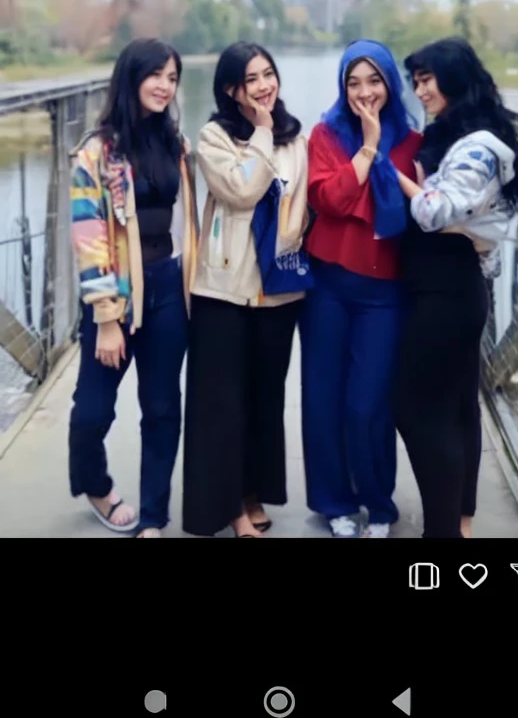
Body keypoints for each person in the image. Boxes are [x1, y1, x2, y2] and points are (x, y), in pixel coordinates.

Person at [393, 36, 518, 540]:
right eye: (416, 81)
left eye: (427, 80)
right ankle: (460, 525)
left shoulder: (477, 146)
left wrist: (404, 181)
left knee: (416, 408)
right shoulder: (463, 133)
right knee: (455, 408)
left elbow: (432, 212)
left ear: (453, 79)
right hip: (449, 286)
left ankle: (443, 532)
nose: (419, 90)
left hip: (445, 293)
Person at [68, 38, 198, 538]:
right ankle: (95, 484)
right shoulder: (96, 151)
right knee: (92, 411)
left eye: (172, 77)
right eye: (156, 75)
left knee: (163, 408)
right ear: (131, 77)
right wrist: (106, 316)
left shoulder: (174, 144)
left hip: (167, 285)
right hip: (117, 292)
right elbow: (88, 234)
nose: (165, 86)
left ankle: (153, 517)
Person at [182, 42, 310, 538]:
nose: (264, 86)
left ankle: (254, 491)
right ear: (231, 90)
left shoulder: (297, 138)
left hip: (278, 292)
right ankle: (232, 508)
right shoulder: (214, 137)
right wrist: (260, 131)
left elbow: (302, 198)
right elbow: (241, 189)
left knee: (264, 399)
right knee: (224, 405)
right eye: (251, 79)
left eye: (268, 74)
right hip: (223, 292)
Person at [300, 40, 422, 538]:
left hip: (384, 293)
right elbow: (327, 198)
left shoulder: (415, 143)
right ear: (342, 87)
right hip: (328, 284)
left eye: (374, 81)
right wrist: (368, 148)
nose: (364, 92)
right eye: (354, 82)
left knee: (367, 403)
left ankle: (380, 504)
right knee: (324, 398)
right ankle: (335, 504)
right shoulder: (326, 135)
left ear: (390, 84)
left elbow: (425, 212)